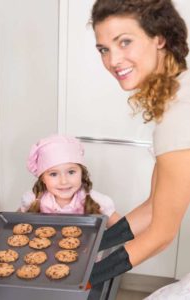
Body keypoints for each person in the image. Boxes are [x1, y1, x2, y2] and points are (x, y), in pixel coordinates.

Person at [86, 0, 190, 297]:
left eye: (125, 42)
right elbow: (154, 207)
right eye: (104, 49)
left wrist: (83, 278)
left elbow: (161, 234)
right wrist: (92, 246)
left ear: (159, 38)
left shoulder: (180, 115)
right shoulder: (176, 94)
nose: (113, 59)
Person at [19, 134, 120, 228]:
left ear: (82, 173)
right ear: (43, 178)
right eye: (53, 174)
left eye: (71, 172)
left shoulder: (98, 202)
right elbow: (13, 226)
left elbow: (122, 231)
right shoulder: (32, 200)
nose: (64, 181)